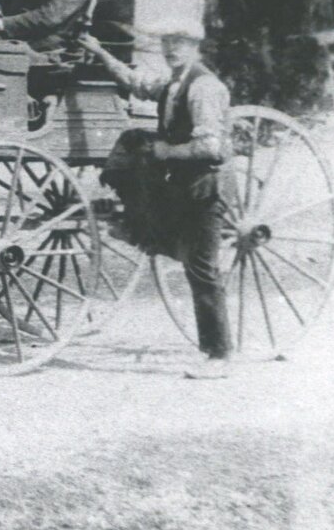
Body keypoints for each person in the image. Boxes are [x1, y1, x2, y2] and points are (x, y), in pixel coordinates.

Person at [80, 28, 236, 379]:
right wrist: (101, 52)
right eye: (167, 44)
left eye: (179, 44)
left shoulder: (204, 88)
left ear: (195, 47)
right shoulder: (173, 83)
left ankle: (219, 355)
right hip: (182, 182)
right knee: (135, 140)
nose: (171, 51)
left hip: (206, 186)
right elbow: (137, 83)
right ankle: (134, 222)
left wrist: (168, 151)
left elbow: (210, 147)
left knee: (201, 268)